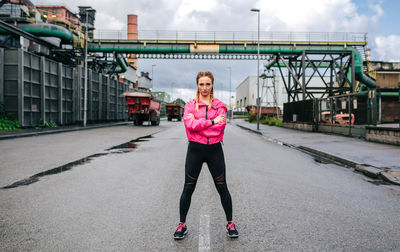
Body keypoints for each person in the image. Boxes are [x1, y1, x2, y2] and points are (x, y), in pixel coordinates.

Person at [173, 71, 239, 240]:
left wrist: (201, 125)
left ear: (212, 85)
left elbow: (219, 128)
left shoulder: (220, 106)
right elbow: (189, 125)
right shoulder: (189, 105)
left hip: (214, 150)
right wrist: (210, 122)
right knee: (188, 188)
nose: (204, 88)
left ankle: (230, 223)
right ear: (197, 85)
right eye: (201, 84)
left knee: (222, 187)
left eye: (207, 84)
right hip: (195, 150)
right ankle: (182, 225)